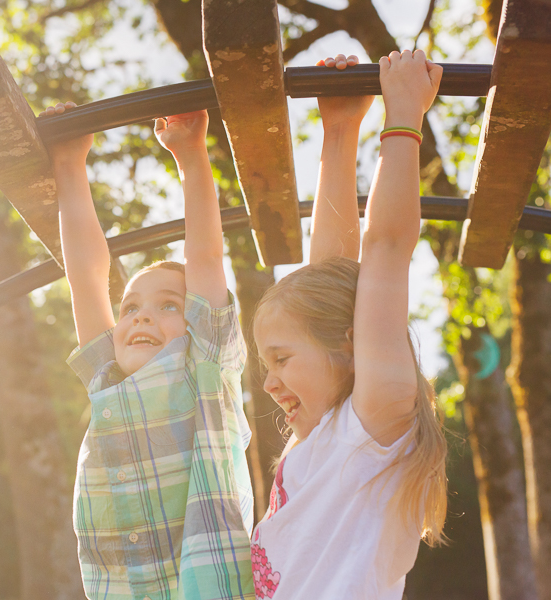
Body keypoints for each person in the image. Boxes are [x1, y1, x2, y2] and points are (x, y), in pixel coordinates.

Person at [249, 50, 448, 599]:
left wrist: (404, 115)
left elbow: (385, 246)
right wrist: (338, 132)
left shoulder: (373, 423)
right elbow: (324, 279)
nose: (268, 383)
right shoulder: (326, 437)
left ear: (351, 344)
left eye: (282, 359)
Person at [42, 103, 255, 599]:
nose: (140, 316)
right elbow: (86, 276)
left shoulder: (204, 366)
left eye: (167, 306)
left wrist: (190, 154)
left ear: (196, 320)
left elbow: (203, 255)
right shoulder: (107, 377)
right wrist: (71, 164)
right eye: (132, 306)